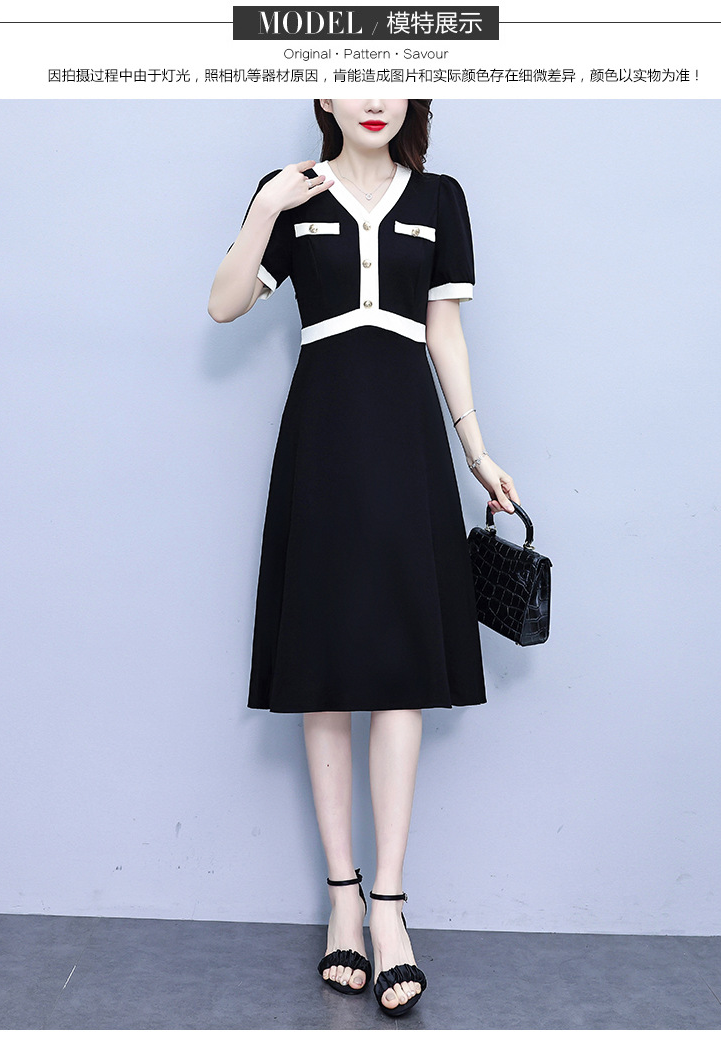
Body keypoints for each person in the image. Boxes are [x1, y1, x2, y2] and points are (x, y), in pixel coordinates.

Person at [208, 99, 519, 1017]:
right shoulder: (291, 195)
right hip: (323, 438)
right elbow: (223, 303)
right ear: (325, 98)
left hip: (409, 440)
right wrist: (266, 209)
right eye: (354, 79)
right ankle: (341, 900)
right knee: (325, 670)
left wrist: (476, 450)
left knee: (399, 669)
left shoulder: (441, 197)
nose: (374, 98)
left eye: (390, 78)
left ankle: (388, 908)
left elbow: (445, 330)